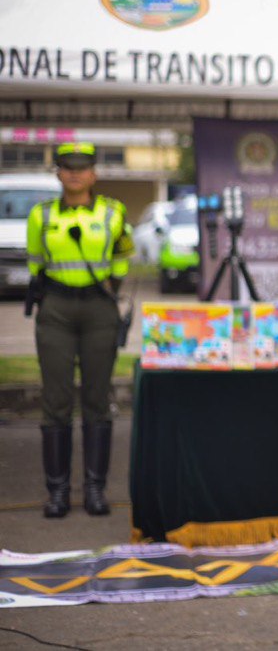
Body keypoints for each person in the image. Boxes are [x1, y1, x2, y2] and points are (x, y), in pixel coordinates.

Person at [26, 142, 133, 518]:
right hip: (55, 308)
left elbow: (122, 257)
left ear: (94, 173)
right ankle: (56, 493)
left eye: (81, 167)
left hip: (97, 308)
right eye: (67, 167)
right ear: (57, 172)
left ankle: (94, 490)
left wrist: (110, 293)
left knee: (96, 399)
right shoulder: (41, 216)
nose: (74, 173)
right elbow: (35, 262)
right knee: (55, 401)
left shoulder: (113, 213)